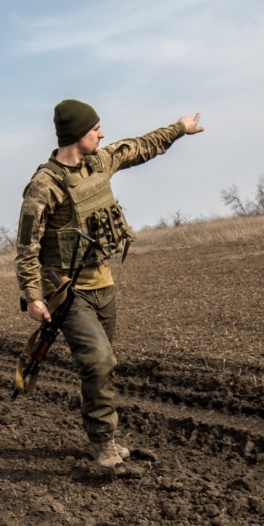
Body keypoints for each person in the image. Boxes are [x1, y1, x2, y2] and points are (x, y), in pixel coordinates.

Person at [15, 99, 203, 470]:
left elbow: (139, 146)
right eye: (95, 128)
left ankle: (104, 437)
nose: (102, 134)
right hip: (68, 294)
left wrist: (179, 128)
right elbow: (26, 245)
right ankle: (102, 443)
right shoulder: (43, 185)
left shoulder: (99, 161)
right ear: (75, 135)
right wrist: (33, 296)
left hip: (104, 285)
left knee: (103, 366)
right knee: (99, 362)